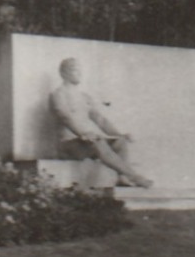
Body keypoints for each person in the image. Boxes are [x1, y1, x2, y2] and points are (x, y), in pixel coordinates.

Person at [49, 57, 154, 188]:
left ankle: (122, 178)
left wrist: (119, 134)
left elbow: (100, 120)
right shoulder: (58, 95)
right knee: (97, 141)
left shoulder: (84, 96)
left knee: (120, 142)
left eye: (80, 70)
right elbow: (65, 117)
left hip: (86, 141)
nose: (80, 73)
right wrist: (83, 133)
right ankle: (135, 177)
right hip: (68, 144)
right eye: (75, 70)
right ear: (63, 73)